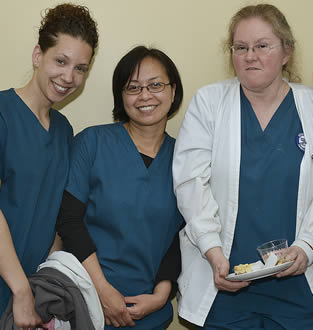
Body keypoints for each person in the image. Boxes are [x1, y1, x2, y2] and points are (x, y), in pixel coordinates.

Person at [173, 3, 313, 329]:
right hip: (226, 282)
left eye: (262, 46)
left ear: (286, 52)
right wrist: (211, 250)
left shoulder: (309, 107)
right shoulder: (209, 103)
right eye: (241, 47)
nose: (250, 56)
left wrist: (307, 245)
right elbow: (190, 182)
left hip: (298, 286)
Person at [56, 45, 184, 329]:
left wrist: (162, 295)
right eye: (133, 87)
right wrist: (102, 291)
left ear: (173, 91)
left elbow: (183, 235)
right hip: (85, 303)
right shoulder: (92, 143)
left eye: (156, 85)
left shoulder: (186, 159)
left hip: (150, 312)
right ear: (121, 96)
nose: (145, 95)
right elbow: (68, 221)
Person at [0, 3, 98, 328]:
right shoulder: (3, 114)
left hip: (33, 293)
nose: (69, 77)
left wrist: (44, 286)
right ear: (38, 55)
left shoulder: (63, 130)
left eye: (81, 68)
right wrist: (20, 290)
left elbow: (54, 216)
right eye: (61, 61)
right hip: (12, 288)